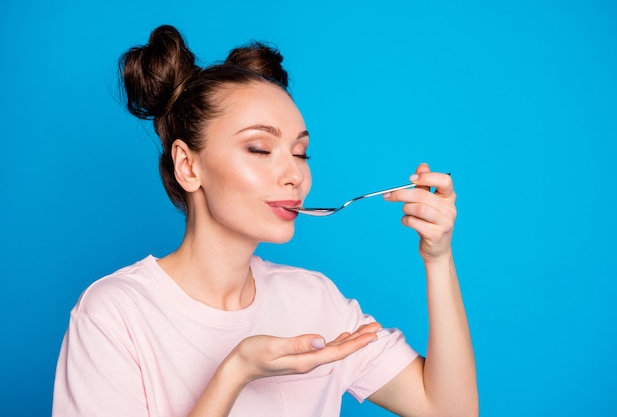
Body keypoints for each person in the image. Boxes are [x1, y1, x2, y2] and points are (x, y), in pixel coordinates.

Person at [52, 25, 478, 417]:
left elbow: (449, 410)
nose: (295, 174)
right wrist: (236, 371)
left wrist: (437, 257)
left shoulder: (315, 301)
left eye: (300, 152)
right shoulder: (114, 314)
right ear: (188, 165)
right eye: (259, 148)